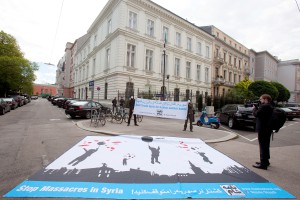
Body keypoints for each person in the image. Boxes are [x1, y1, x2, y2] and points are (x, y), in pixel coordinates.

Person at [252, 94, 274, 170]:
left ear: (265, 99)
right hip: (268, 129)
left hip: (263, 129)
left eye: (261, 99)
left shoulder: (264, 106)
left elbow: (256, 114)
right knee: (266, 145)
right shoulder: (270, 105)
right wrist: (258, 107)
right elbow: (263, 114)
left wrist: (254, 109)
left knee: (263, 146)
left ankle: (263, 164)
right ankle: (266, 161)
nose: (260, 100)